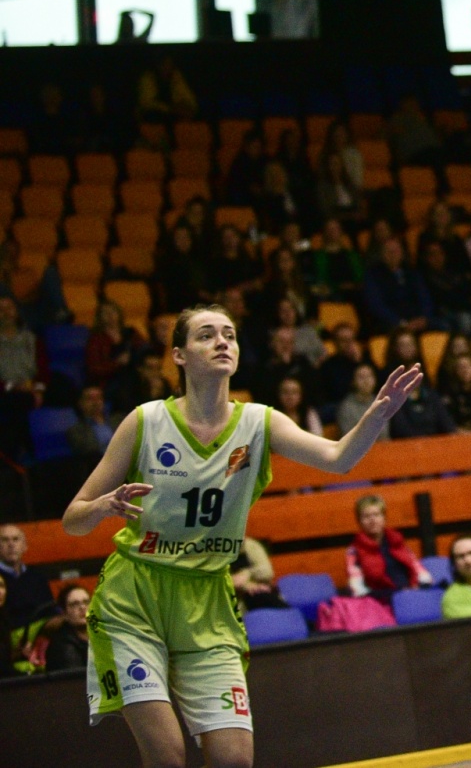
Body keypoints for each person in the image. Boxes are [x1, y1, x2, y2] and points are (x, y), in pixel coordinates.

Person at [62, 304, 422, 768]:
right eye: (206, 335)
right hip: (134, 599)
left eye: (229, 335)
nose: (221, 342)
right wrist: (102, 506)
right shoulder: (145, 421)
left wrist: (377, 413)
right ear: (179, 355)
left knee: (234, 760)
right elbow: (73, 519)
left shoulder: (259, 423)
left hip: (208, 600)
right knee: (167, 758)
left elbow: (338, 458)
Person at [346, 494, 433, 602]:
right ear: (359, 521)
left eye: (376, 515)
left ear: (384, 518)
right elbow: (357, 588)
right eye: (366, 516)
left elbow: (419, 569)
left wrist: (421, 586)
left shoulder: (397, 541)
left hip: (410, 595)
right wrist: (395, 594)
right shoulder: (354, 551)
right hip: (379, 601)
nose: (372, 520)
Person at [0, 523, 54, 622]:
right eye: (5, 540)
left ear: (24, 546)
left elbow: (49, 610)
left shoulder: (38, 577)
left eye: (15, 539)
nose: (11, 545)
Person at [229, 537, 284, 612]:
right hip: (237, 599)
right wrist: (248, 586)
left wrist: (247, 573)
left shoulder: (251, 546)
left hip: (263, 590)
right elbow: (229, 582)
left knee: (263, 597)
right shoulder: (217, 553)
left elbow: (267, 572)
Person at [46, 584, 92, 673]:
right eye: (75, 604)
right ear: (64, 613)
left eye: (86, 602)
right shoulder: (62, 646)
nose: (82, 607)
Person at [336, 363, 387, 440]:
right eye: (361, 377)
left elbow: (385, 434)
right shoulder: (346, 407)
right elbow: (348, 439)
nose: (366, 381)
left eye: (369, 376)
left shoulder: (381, 403)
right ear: (353, 381)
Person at [67, 385, 117, 460]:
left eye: (98, 398)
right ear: (81, 403)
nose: (96, 402)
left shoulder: (119, 419)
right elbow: (89, 453)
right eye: (90, 399)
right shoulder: (76, 431)